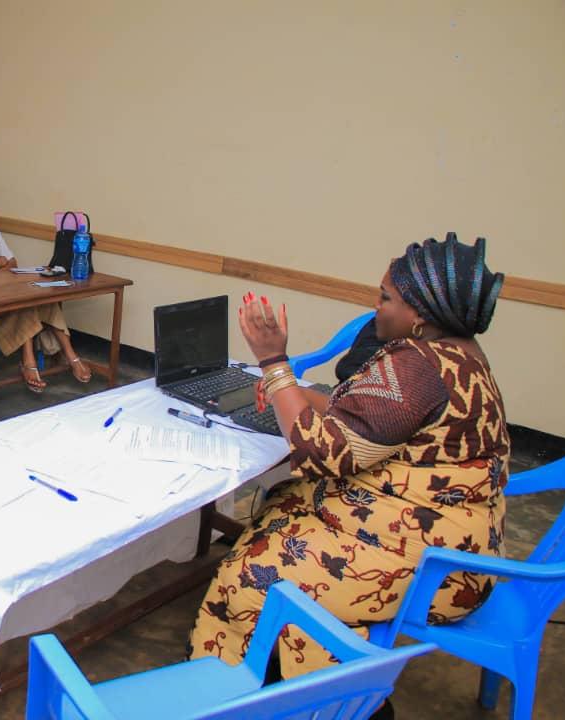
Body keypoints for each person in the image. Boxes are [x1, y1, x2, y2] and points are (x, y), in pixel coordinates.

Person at [189, 234, 509, 711]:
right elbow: (362, 413)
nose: (376, 307)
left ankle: (284, 695)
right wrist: (289, 392)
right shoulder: (458, 355)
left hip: (438, 570)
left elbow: (322, 452)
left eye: (386, 298)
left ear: (419, 314)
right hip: (458, 539)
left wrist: (274, 363)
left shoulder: (418, 369)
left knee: (249, 573)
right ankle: (284, 665)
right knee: (284, 501)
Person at [0, 184, 91, 393]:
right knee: (28, 305)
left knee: (45, 301)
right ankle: (34, 361)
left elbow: (12, 262)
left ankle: (67, 355)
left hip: (7, 288)